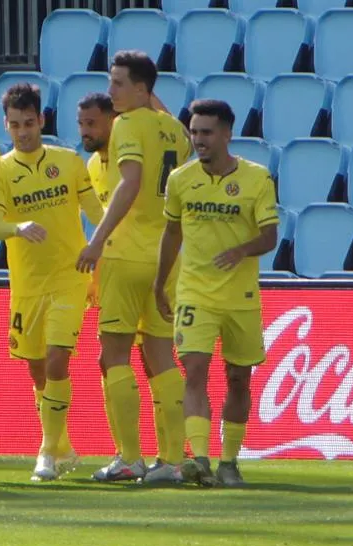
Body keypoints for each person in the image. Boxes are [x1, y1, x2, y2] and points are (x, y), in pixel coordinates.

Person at [75, 51, 192, 483]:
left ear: (140, 89)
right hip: (166, 258)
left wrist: (97, 240)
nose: (111, 92)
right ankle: (174, 461)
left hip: (125, 254)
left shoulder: (125, 124)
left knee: (113, 356)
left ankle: (128, 458)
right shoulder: (175, 129)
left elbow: (131, 182)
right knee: (162, 358)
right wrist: (145, 89)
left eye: (118, 83)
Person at [154, 99, 278, 488]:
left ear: (227, 133)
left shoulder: (257, 179)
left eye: (206, 132)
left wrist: (242, 250)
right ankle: (201, 459)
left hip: (241, 297)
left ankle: (229, 461)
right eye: (194, 132)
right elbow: (171, 233)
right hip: (195, 292)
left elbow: (270, 236)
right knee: (194, 371)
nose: (198, 139)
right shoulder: (180, 179)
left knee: (239, 378)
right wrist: (160, 284)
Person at [0, 83, 103, 481]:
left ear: (42, 120)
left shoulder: (69, 163)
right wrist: (18, 227)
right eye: (15, 125)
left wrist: (108, 246)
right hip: (27, 285)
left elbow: (97, 213)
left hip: (70, 276)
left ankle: (46, 454)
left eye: (29, 123)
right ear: (6, 125)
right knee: (37, 370)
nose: (22, 132)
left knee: (56, 360)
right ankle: (62, 444)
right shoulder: (0, 170)